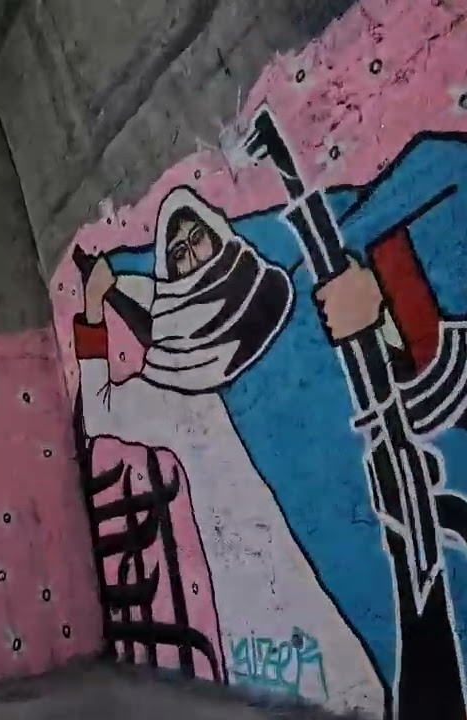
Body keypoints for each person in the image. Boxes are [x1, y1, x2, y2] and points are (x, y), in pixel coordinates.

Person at [72, 132, 467, 717]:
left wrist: (380, 308)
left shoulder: (305, 287)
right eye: (176, 254)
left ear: (226, 236)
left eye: (197, 238)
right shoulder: (178, 385)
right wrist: (90, 311)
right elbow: (103, 408)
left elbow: (429, 201)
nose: (190, 255)